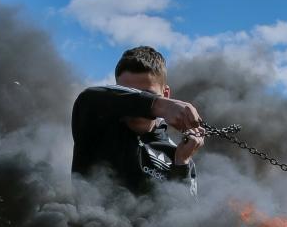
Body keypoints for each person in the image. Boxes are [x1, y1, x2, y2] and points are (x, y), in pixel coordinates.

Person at [71, 46, 205, 195]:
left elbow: (187, 213)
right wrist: (158, 105)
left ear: (165, 94)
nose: (136, 106)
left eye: (148, 94)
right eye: (129, 94)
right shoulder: (96, 125)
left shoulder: (177, 153)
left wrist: (181, 164)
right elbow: (87, 98)